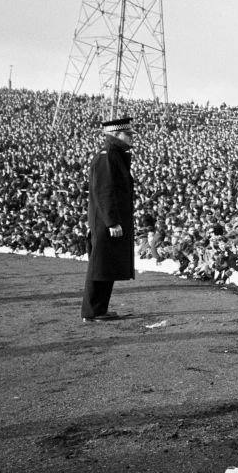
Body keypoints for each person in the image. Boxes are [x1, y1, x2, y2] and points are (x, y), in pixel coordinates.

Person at [81, 117, 136, 322]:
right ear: (115, 135)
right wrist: (112, 221)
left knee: (106, 266)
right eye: (127, 135)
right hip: (106, 223)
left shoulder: (114, 155)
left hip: (108, 222)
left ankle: (99, 309)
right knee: (100, 267)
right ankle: (92, 311)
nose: (130, 138)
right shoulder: (108, 157)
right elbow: (104, 191)